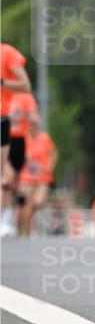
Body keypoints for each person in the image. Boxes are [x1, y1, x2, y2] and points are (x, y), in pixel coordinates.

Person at [1, 43, 32, 237]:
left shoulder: (7, 52)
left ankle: (5, 218)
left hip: (2, 118)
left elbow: (25, 85)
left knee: (4, 176)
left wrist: (2, 82)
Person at [16, 117, 58, 235]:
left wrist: (50, 166)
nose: (32, 127)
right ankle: (26, 231)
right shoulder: (24, 139)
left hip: (43, 178)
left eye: (34, 125)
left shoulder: (44, 139)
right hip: (26, 178)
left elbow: (54, 153)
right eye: (30, 125)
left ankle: (33, 227)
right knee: (26, 205)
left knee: (37, 201)